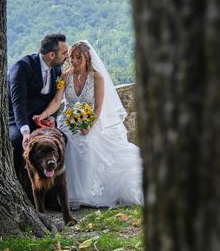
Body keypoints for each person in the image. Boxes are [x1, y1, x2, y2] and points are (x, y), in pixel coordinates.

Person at [34, 40, 143, 208]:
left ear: (87, 59)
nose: (74, 61)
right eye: (71, 57)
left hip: (90, 119)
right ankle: (63, 193)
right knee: (64, 143)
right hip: (66, 121)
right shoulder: (64, 76)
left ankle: (86, 193)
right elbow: (57, 100)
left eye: (79, 57)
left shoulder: (97, 78)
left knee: (87, 144)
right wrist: (44, 114)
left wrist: (89, 126)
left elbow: (98, 107)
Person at [8, 34, 69, 173]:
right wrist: (25, 132)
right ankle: (21, 182)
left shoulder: (57, 69)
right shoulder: (22, 67)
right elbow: (18, 104)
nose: (67, 57)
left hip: (41, 118)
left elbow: (54, 99)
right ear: (52, 54)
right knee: (18, 141)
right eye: (64, 53)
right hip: (18, 118)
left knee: (62, 138)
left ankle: (52, 181)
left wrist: (51, 117)